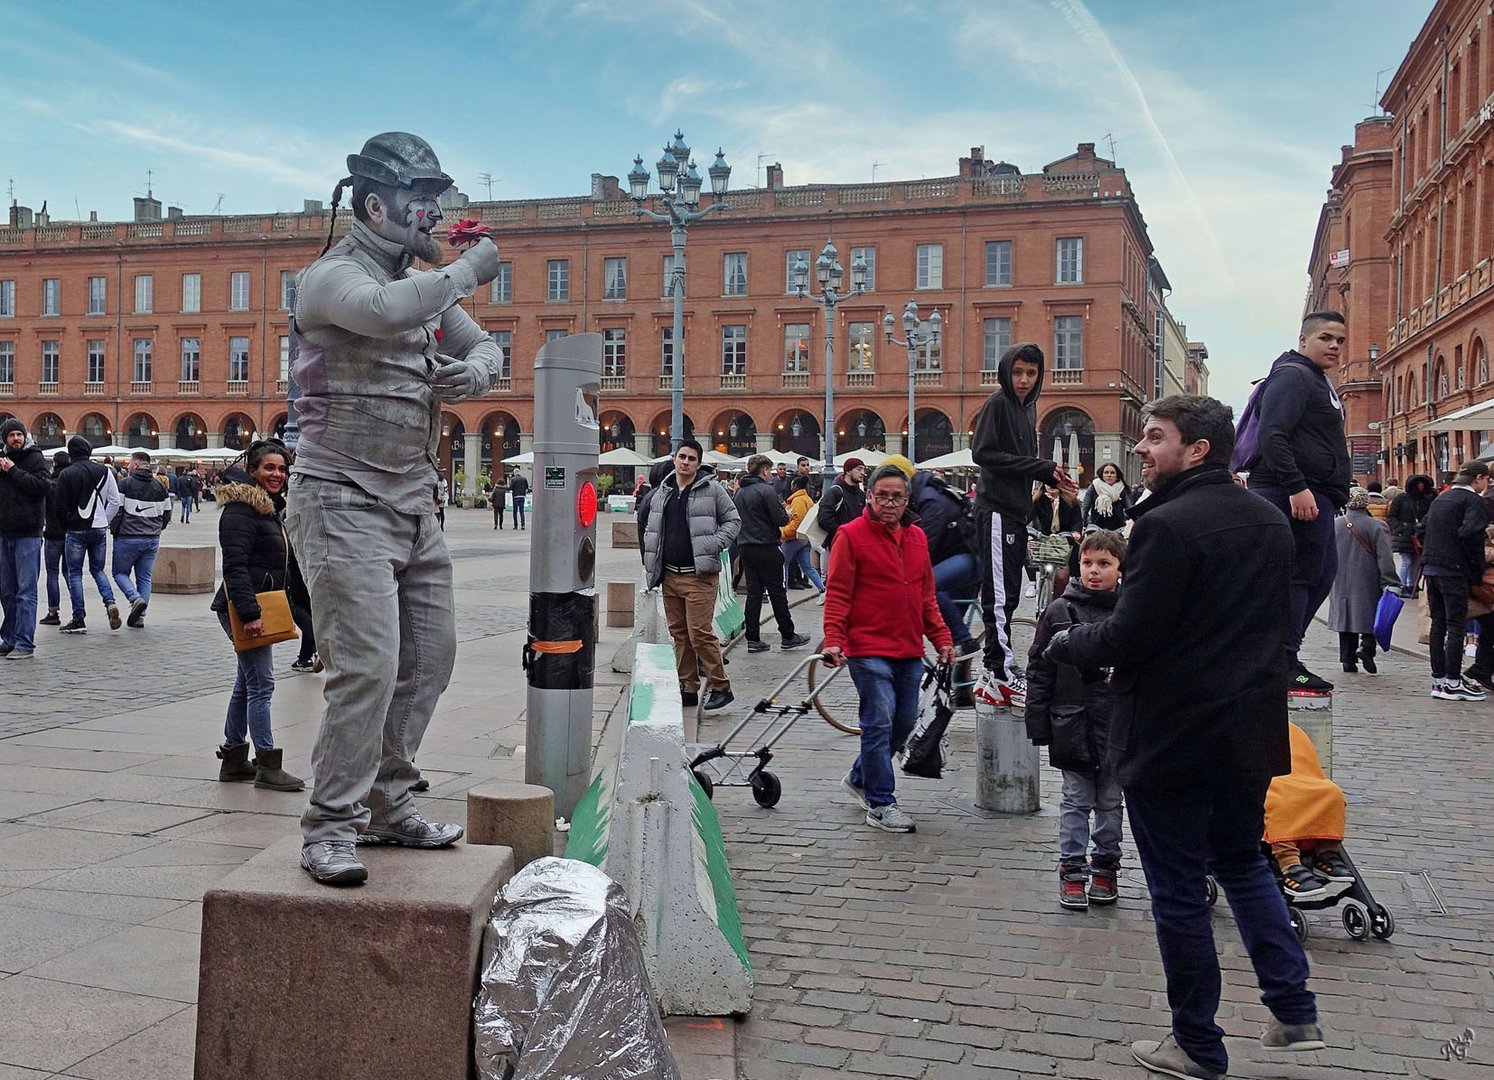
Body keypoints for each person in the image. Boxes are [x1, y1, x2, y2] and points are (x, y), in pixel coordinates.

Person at [1045, 395, 1322, 1079]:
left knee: (1175, 889)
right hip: (1247, 727)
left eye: (1155, 437)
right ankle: (1294, 1006)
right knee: (1242, 862)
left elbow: (1132, 635)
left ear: (1196, 450)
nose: (1141, 448)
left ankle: (1196, 1043)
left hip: (1174, 731)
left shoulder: (1167, 526)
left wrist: (1065, 641)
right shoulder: (1268, 520)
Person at [286, 131, 506, 887]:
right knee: (368, 665)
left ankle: (386, 802)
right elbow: (382, 312)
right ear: (375, 205)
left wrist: (473, 376)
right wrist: (469, 270)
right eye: (422, 203)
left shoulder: (422, 288)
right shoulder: (329, 279)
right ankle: (329, 825)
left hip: (412, 500)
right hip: (339, 494)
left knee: (430, 658)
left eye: (438, 205)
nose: (433, 218)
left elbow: (488, 350)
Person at [821, 464, 955, 834]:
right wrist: (833, 638)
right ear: (869, 496)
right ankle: (881, 803)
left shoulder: (916, 539)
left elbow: (926, 596)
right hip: (866, 648)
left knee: (904, 723)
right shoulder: (850, 535)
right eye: (882, 495)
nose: (889, 503)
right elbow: (838, 593)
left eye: (897, 496)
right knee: (878, 722)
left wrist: (942, 638)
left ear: (908, 500)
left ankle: (860, 777)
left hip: (909, 648)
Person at [1245, 310, 1353, 692]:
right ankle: (1282, 657)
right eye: (1326, 338)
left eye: (1340, 340)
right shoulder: (1293, 375)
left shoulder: (1317, 380)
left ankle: (1285, 654)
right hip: (1293, 492)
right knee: (1300, 576)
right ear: (1304, 339)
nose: (1335, 346)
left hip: (1316, 494)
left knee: (1319, 574)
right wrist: (1296, 486)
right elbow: (1273, 434)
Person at [1025, 530, 1126, 910]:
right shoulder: (1059, 611)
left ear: (1120, 568)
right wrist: (1037, 721)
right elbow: (1040, 668)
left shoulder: (1130, 610)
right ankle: (1071, 868)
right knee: (1074, 801)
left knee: (1111, 802)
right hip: (1073, 724)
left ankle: (1105, 865)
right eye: (1087, 563)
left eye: (1104, 564)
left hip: (1117, 725)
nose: (1094, 571)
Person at [970, 342, 1074, 709]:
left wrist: (1050, 476)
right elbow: (981, 454)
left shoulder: (1027, 410)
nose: (1024, 380)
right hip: (996, 510)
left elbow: (1022, 461)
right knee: (999, 596)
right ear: (1005, 371)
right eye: (1017, 372)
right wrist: (1039, 468)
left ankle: (996, 671)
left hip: (1014, 513)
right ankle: (997, 672)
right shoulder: (998, 403)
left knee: (1010, 594)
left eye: (1031, 373)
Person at [211, 443, 305, 793]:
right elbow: (234, 568)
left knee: (246, 683)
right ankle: (267, 763)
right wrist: (250, 615)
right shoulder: (240, 512)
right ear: (252, 470)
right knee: (262, 684)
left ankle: (234, 759)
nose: (277, 474)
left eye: (282, 469)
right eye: (269, 468)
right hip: (242, 608)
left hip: (255, 604)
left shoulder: (268, 509)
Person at [641, 439, 740, 712]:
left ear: (699, 463)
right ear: (674, 458)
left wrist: (713, 544)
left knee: (699, 634)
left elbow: (734, 521)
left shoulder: (713, 490)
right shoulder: (663, 491)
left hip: (699, 576)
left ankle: (721, 686)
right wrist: (652, 566)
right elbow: (652, 532)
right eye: (682, 457)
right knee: (680, 635)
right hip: (670, 576)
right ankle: (688, 687)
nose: (685, 462)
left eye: (691, 458)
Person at [1418, 459, 1491, 701]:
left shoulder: (1442, 498)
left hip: (1432, 568)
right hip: (1454, 570)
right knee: (1455, 625)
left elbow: (1421, 529)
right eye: (1486, 480)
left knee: (1438, 625)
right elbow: (1471, 532)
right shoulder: (1473, 501)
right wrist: (1475, 569)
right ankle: (1453, 681)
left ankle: (1439, 680)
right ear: (1479, 479)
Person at [1265, 723, 1356, 903]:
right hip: (1266, 781)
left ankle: (1327, 851)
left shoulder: (1287, 727)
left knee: (1331, 793)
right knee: (1279, 799)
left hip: (1298, 777)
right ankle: (1289, 862)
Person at [734, 454, 810, 655]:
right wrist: (786, 514)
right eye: (770, 471)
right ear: (765, 470)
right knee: (777, 592)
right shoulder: (766, 491)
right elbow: (780, 519)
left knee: (754, 594)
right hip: (766, 546)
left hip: (746, 548)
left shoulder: (739, 493)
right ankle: (788, 635)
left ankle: (753, 639)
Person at [908, 465, 981, 657]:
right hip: (961, 555)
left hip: (970, 556)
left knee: (929, 585)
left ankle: (965, 640)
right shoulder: (922, 495)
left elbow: (925, 547)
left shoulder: (930, 500)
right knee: (945, 630)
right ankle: (959, 684)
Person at [55, 436, 122, 634]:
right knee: (98, 570)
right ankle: (110, 602)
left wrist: (65, 524)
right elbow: (115, 501)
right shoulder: (104, 471)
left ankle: (78, 619)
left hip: (75, 529)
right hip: (98, 528)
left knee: (74, 573)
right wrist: (105, 520)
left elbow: (59, 505)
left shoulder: (66, 474)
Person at [1328, 486, 1398, 675]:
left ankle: (1348, 660)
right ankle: (1367, 647)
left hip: (1340, 578)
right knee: (1371, 614)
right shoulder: (1377, 526)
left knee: (1346, 617)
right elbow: (1385, 556)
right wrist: (1390, 580)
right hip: (1368, 576)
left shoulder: (1334, 524)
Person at [0, 418, 51, 659]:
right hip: (4, 534)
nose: (16, 439)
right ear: (5, 439)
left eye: (19, 434)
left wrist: (13, 470)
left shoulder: (35, 458)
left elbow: (43, 487)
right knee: (6, 591)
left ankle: (24, 643)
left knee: (26, 591)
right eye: (11, 436)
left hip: (28, 534)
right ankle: (9, 639)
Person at [110, 450, 171, 629]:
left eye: (129, 463)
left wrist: (116, 531)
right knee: (144, 577)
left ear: (135, 465)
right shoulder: (160, 487)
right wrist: (157, 529)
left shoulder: (125, 484)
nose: (128, 466)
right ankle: (139, 617)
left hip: (128, 537)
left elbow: (117, 511)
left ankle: (135, 598)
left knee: (119, 573)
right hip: (152, 539)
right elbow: (167, 514)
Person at [779, 475, 825, 600]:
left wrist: (782, 532)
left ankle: (782, 592)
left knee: (782, 563)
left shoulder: (797, 500)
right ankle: (822, 589)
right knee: (807, 566)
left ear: (795, 486)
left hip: (795, 537)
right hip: (805, 537)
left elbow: (796, 521)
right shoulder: (807, 499)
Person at [1388, 473, 1434, 597]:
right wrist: (1399, 527)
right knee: (1406, 561)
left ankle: (1412, 584)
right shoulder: (1401, 499)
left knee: (1416, 561)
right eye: (1418, 483)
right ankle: (1402, 585)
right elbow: (1392, 515)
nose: (1420, 486)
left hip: (1420, 534)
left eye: (1422, 483)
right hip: (1404, 534)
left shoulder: (1426, 499)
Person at [38, 450, 69, 627]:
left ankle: (53, 611)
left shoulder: (50, 484)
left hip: (52, 533)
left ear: (55, 464)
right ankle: (77, 611)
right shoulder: (72, 482)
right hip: (70, 533)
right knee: (71, 573)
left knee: (52, 573)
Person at [815, 457, 867, 555]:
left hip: (857, 543)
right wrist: (843, 532)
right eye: (859, 469)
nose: (863, 473)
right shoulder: (836, 492)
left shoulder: (860, 494)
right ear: (848, 471)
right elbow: (824, 518)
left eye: (863, 469)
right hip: (839, 543)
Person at [1082, 461, 1131, 532]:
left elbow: (1129, 507)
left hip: (1118, 526)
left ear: (1117, 475)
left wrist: (1127, 522)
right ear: (1102, 475)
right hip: (1096, 525)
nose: (1109, 475)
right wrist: (1083, 524)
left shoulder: (1123, 488)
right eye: (1106, 472)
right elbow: (1085, 506)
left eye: (1112, 473)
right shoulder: (1095, 485)